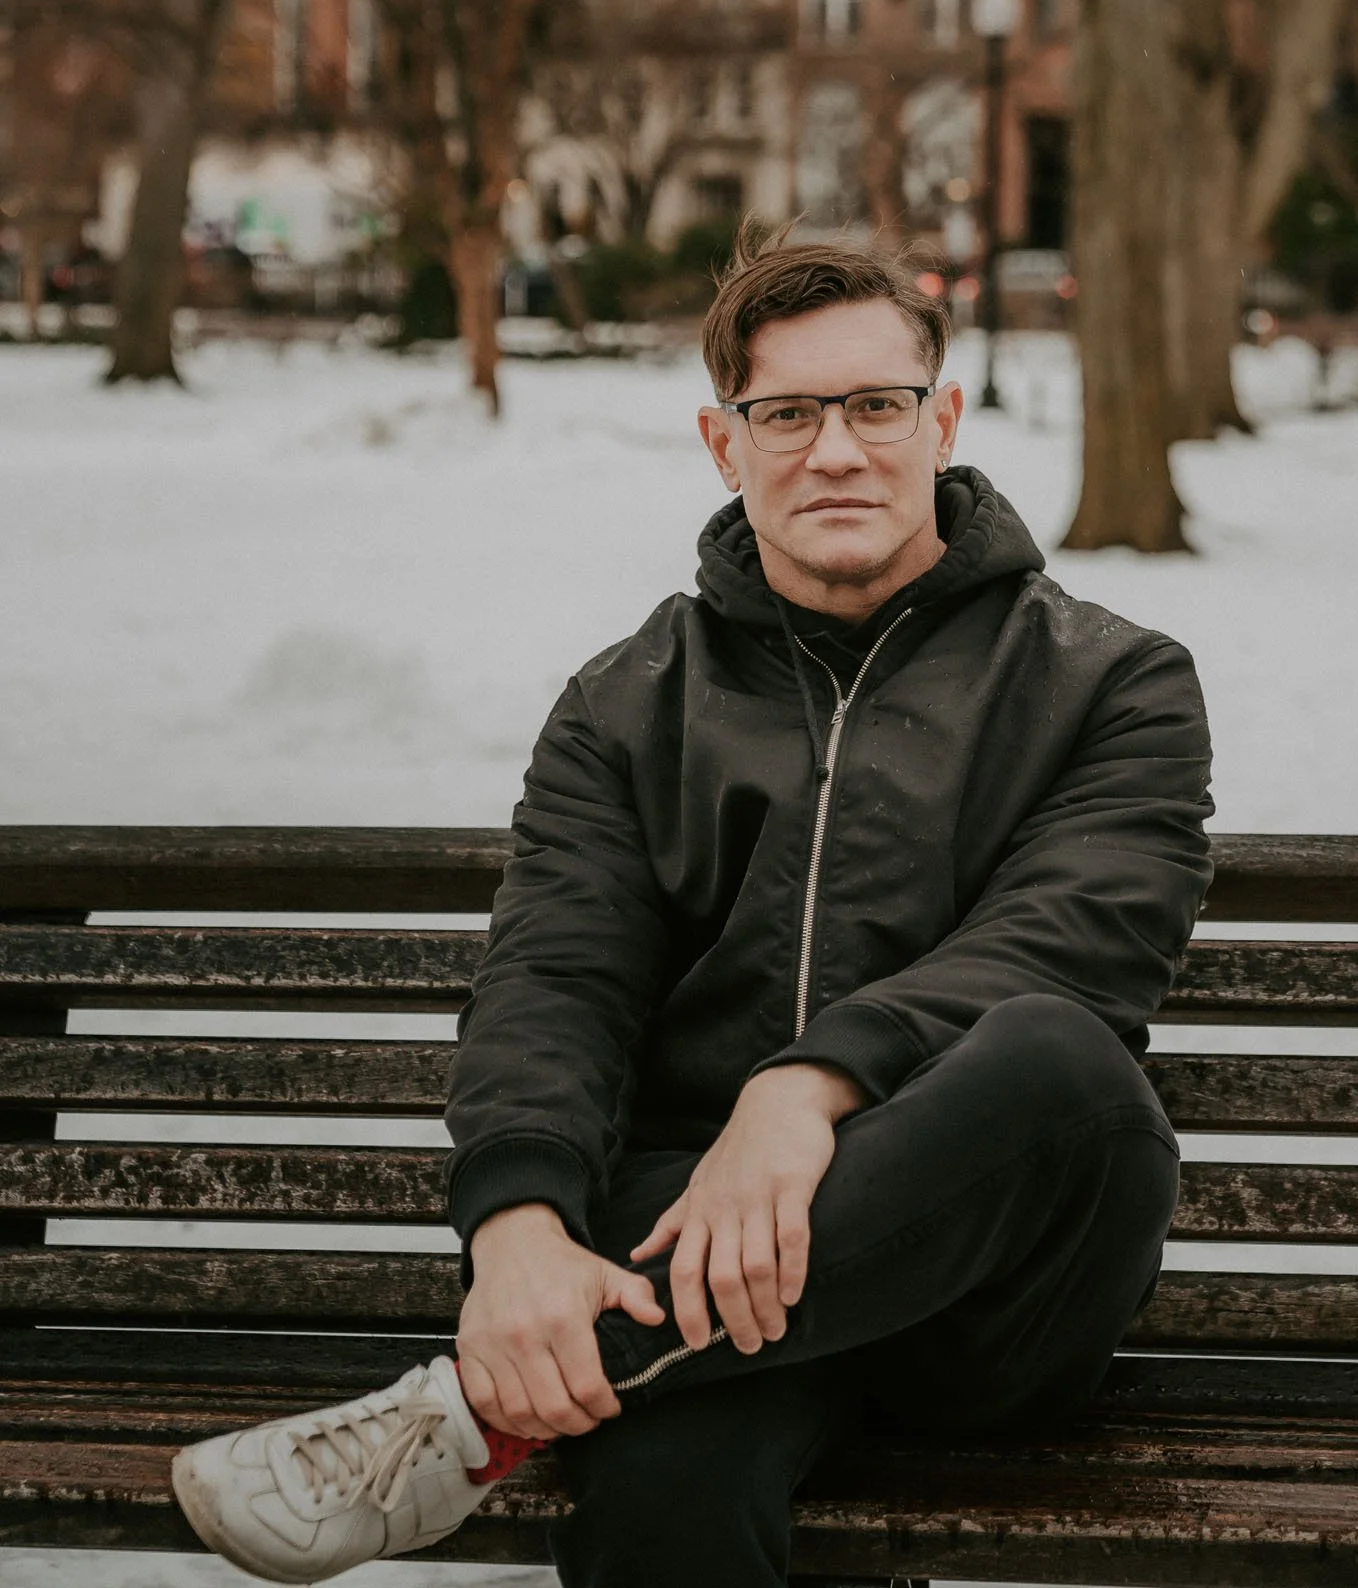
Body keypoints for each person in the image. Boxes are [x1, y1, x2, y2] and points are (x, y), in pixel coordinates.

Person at [172, 229, 1216, 1587]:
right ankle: (604, 1363)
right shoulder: (627, 703)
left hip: (987, 1296)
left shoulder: (1107, 681)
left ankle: (474, 1417)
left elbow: (1076, 943)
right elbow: (557, 978)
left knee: (1059, 1062)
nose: (834, 451)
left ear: (942, 421)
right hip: (694, 1266)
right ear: (724, 443)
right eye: (785, 413)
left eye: (875, 405)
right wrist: (518, 1230)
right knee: (664, 1502)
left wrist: (802, 1091)